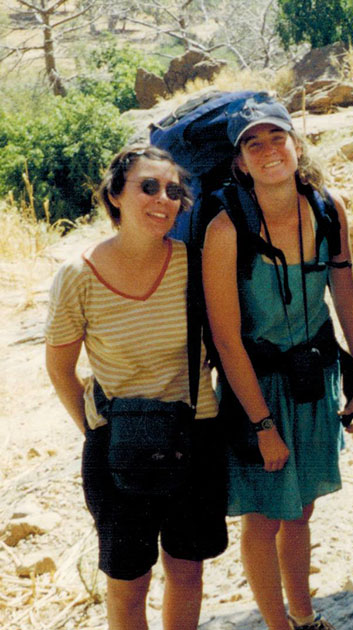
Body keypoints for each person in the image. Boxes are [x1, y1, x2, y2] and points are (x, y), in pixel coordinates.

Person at [202, 95, 353, 630]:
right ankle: (279, 626)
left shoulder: (327, 208)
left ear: (296, 145)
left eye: (277, 137)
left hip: (312, 377)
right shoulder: (227, 229)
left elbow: (346, 297)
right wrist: (260, 425)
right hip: (256, 386)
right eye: (253, 143)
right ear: (239, 161)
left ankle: (305, 617)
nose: (269, 149)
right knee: (262, 515)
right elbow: (227, 339)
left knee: (300, 509)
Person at [45, 145, 225, 630]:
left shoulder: (196, 263)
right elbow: (61, 368)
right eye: (148, 186)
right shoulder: (78, 275)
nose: (163, 199)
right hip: (119, 446)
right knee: (128, 583)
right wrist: (95, 429)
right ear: (115, 195)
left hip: (195, 435)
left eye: (173, 190)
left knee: (187, 571)